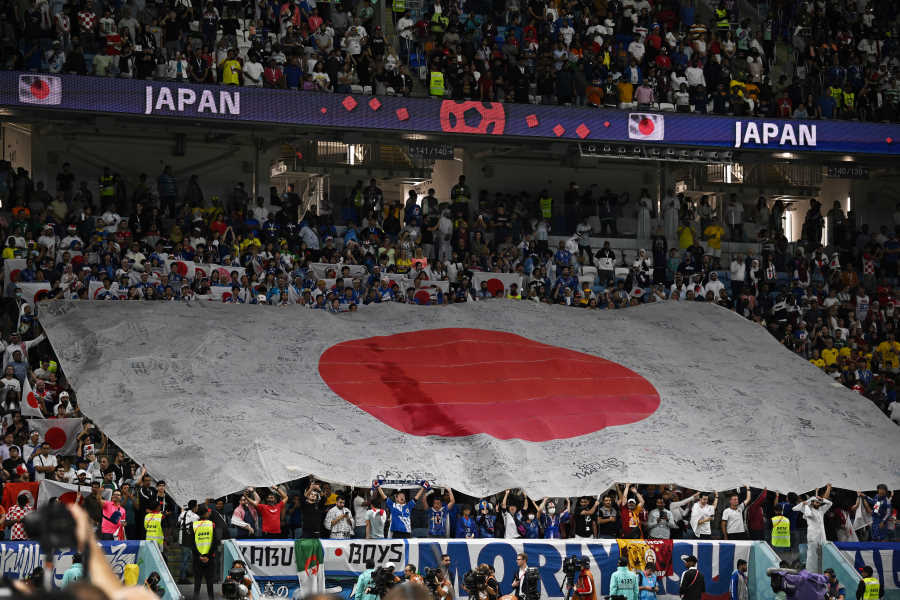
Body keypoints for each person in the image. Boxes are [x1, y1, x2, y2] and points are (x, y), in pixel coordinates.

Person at [793, 484, 832, 572]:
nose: (818, 503)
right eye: (816, 502)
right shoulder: (807, 510)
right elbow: (797, 509)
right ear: (812, 502)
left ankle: (821, 571)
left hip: (822, 536)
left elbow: (830, 503)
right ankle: (810, 572)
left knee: (822, 555)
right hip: (813, 537)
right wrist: (805, 504)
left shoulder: (821, 511)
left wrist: (823, 499)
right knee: (812, 555)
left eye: (819, 502)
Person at [191, 504, 219, 600]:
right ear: (205, 514)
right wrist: (207, 556)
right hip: (209, 558)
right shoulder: (211, 524)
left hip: (197, 558)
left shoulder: (194, 525)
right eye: (208, 511)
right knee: (210, 582)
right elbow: (215, 542)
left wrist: (199, 555)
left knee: (197, 583)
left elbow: (192, 543)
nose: (209, 512)